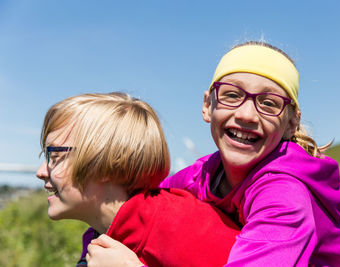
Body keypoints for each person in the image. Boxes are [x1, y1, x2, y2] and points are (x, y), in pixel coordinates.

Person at [87, 41, 340, 266]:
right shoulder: (202, 175)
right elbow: (127, 207)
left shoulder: (285, 195)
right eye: (232, 95)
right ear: (208, 105)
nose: (247, 114)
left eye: (269, 103)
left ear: (291, 123)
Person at [35, 92, 240, 267]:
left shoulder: (179, 225)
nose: (41, 171)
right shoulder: (98, 238)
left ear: (103, 163)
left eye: (54, 157)